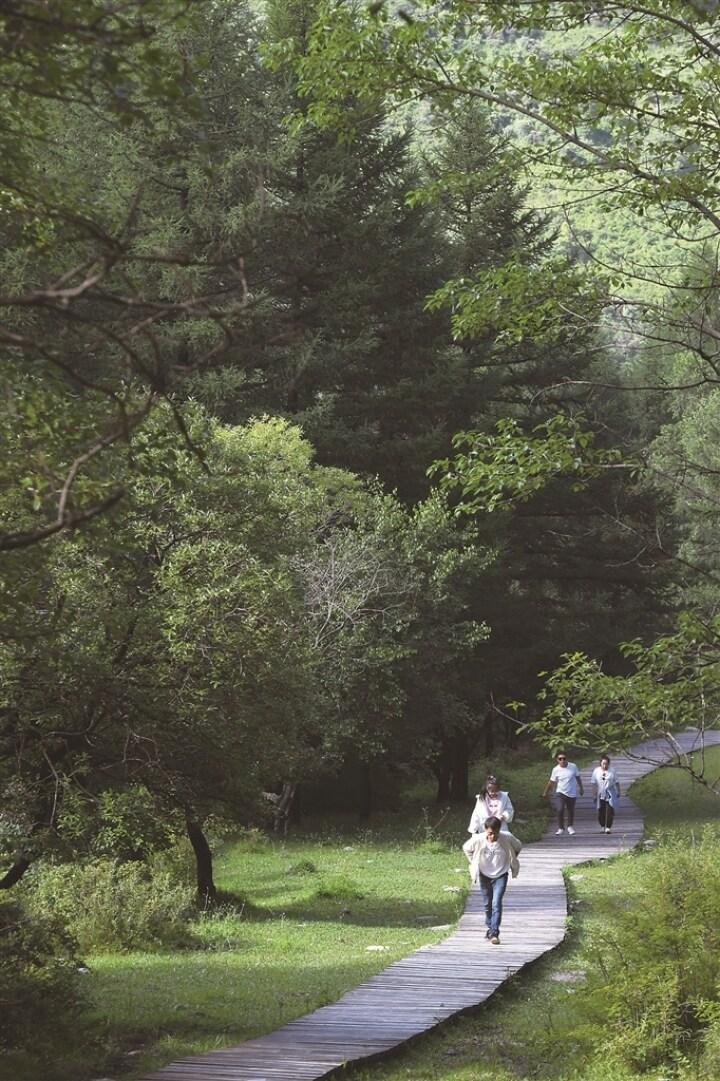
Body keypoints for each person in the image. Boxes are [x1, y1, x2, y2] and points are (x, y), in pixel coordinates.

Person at [463, 815, 521, 945]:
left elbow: (518, 846)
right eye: (489, 834)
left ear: (499, 830)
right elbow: (466, 848)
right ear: (485, 830)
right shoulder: (478, 839)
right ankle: (490, 927)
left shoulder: (506, 837)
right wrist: (474, 861)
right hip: (484, 874)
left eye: (495, 834)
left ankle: (494, 933)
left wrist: (512, 859)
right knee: (487, 904)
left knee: (496, 902)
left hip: (501, 874)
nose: (492, 837)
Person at [542, 751, 584, 835]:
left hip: (571, 792)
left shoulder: (573, 766)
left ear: (566, 759)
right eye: (560, 759)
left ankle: (570, 826)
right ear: (557, 760)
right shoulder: (556, 769)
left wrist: (581, 788)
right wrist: (545, 792)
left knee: (570, 810)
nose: (562, 760)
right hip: (560, 792)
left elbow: (578, 777)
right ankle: (560, 828)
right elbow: (551, 782)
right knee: (560, 809)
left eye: (564, 758)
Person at [591, 754, 621, 833]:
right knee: (601, 810)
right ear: (600, 763)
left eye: (606, 764)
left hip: (610, 792)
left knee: (610, 809)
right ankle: (602, 826)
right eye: (603, 763)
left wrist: (618, 791)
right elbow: (593, 783)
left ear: (609, 763)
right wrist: (593, 794)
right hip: (600, 792)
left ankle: (608, 827)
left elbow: (617, 782)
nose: (605, 765)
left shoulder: (612, 770)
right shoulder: (596, 771)